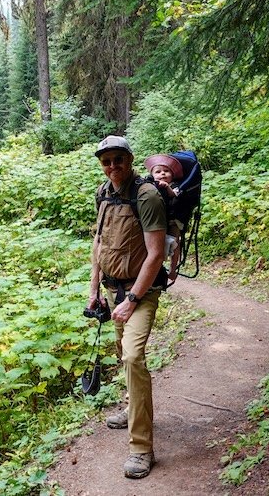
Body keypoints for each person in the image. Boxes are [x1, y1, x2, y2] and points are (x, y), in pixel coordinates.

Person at [88, 135, 167, 479]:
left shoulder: (146, 196)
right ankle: (133, 406)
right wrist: (93, 289)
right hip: (112, 289)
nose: (112, 167)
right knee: (124, 353)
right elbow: (99, 241)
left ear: (130, 159)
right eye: (106, 161)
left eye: (118, 159)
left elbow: (156, 253)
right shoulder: (103, 193)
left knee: (133, 356)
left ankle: (141, 448)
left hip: (140, 292)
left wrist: (133, 298)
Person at [144, 153, 185, 282]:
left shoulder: (174, 186)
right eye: (158, 172)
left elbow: (174, 196)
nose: (163, 174)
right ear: (152, 175)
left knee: (175, 243)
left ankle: (173, 269)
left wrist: (167, 188)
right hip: (157, 220)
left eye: (166, 171)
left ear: (172, 175)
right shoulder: (150, 186)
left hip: (173, 221)